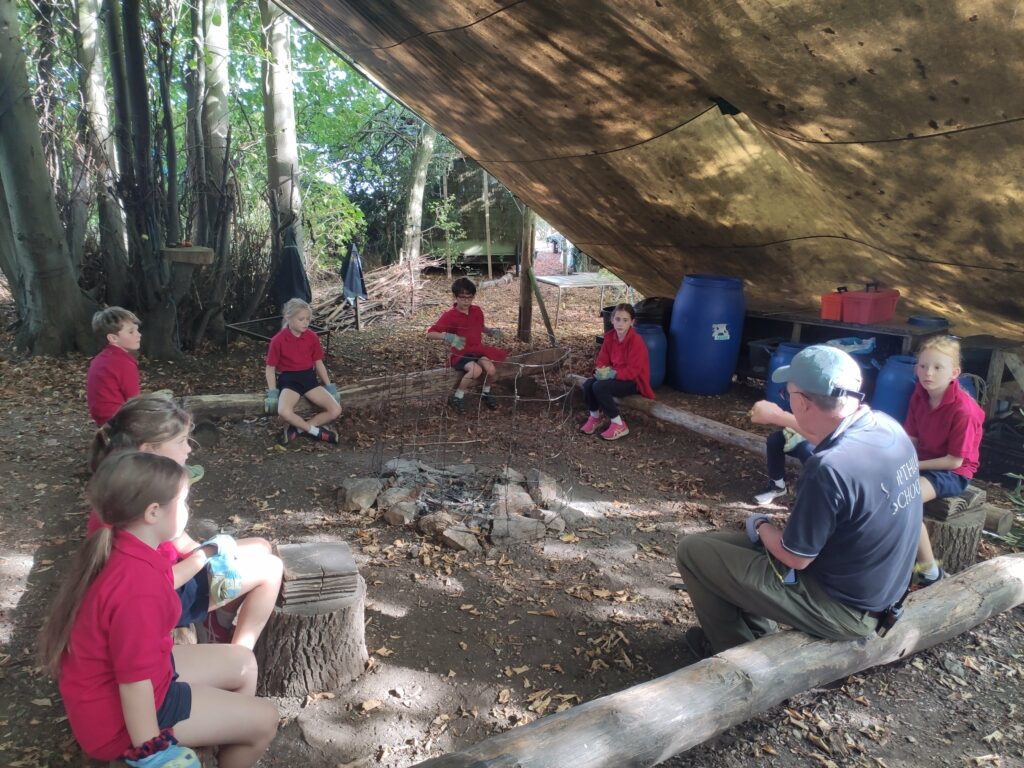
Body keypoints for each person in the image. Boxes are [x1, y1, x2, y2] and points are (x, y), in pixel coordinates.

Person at [677, 345, 922, 656]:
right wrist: (782, 418)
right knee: (715, 545)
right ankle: (758, 635)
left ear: (804, 403)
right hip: (876, 590)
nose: (786, 401)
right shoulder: (886, 426)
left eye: (788, 394)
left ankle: (736, 656)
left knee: (692, 552)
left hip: (843, 608)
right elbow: (827, 436)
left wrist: (761, 524)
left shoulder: (829, 468)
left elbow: (795, 558)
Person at [39, 451, 279, 767]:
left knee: (244, 663)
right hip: (121, 722)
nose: (188, 510)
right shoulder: (137, 590)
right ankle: (237, 730)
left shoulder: (128, 547)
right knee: (267, 720)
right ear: (153, 512)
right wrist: (153, 753)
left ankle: (227, 729)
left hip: (144, 679)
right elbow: (134, 685)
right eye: (183, 502)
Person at [90, 395, 284, 649]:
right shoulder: (130, 503)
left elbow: (179, 541)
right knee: (271, 568)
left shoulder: (135, 483)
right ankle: (237, 654)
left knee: (260, 545)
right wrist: (202, 558)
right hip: (163, 599)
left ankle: (219, 624)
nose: (189, 449)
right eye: (181, 441)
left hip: (176, 572)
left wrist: (213, 555)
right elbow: (151, 584)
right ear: (149, 449)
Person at [904, 336, 985, 588]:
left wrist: (913, 467)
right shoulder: (919, 395)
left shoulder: (964, 410)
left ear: (954, 373)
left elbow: (954, 460)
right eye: (923, 366)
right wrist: (900, 460)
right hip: (923, 461)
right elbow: (911, 439)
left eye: (938, 367)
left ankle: (929, 571)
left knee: (907, 497)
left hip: (953, 471)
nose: (928, 373)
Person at [426, 277, 508, 414]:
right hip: (461, 353)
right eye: (462, 297)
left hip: (477, 349)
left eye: (469, 297)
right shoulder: (450, 316)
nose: (466, 301)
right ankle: (457, 397)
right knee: (476, 371)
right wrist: (448, 336)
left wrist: (490, 331)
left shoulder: (477, 311)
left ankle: (486, 393)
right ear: (455, 296)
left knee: (491, 369)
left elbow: (479, 326)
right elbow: (430, 333)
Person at [264, 298, 341, 444]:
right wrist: (273, 392)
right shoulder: (278, 340)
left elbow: (318, 363)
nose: (305, 322)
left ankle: (298, 430)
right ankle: (316, 432)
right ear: (288, 318)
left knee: (336, 410)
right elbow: (270, 368)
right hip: (290, 381)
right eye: (301, 319)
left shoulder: (312, 337)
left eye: (308, 319)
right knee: (283, 412)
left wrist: (329, 386)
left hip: (309, 380)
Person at [579, 303, 654, 441]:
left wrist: (612, 374)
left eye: (625, 320)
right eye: (617, 319)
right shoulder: (609, 337)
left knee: (599, 386)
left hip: (633, 381)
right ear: (612, 320)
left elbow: (634, 371)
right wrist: (601, 370)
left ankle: (619, 424)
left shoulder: (636, 342)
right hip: (614, 376)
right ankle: (595, 417)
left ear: (632, 322)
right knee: (589, 384)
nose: (620, 323)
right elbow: (602, 360)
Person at [87, 307, 142, 427]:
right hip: (118, 422)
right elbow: (134, 400)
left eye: (137, 330)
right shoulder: (123, 363)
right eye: (131, 331)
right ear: (113, 338)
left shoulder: (103, 357)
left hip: (103, 419)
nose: (139, 335)